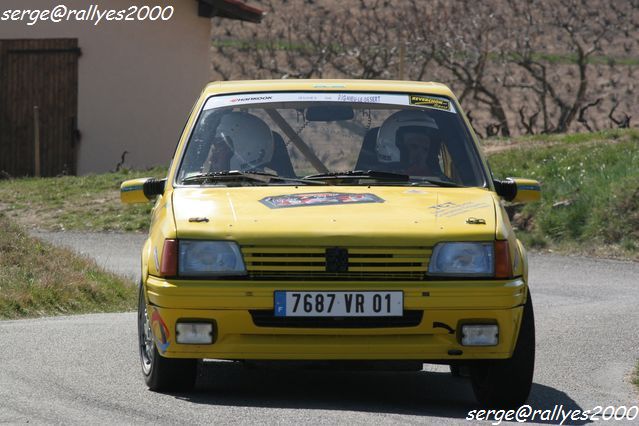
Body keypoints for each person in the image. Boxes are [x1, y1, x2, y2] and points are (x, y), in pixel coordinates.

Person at [376, 110, 444, 177]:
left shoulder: (434, 181)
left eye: (425, 149)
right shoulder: (378, 182)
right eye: (414, 146)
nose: (420, 155)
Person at [202, 111, 274, 172]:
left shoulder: (272, 187)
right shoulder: (201, 186)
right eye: (214, 150)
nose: (212, 159)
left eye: (219, 150)